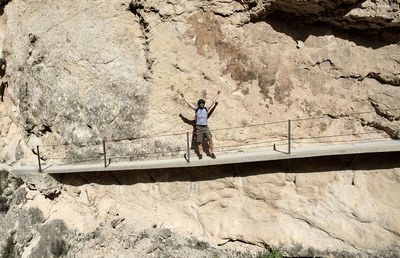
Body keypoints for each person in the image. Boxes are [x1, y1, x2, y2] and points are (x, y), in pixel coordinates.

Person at [180, 90, 221, 159]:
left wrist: (217, 94)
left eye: (202, 103)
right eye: (200, 103)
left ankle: (212, 153)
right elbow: (189, 104)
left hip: (205, 127)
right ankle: (200, 155)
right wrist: (183, 97)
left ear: (204, 104)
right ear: (199, 104)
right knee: (199, 142)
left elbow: (212, 102)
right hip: (198, 128)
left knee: (210, 140)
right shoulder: (196, 109)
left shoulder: (206, 109)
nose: (201, 104)